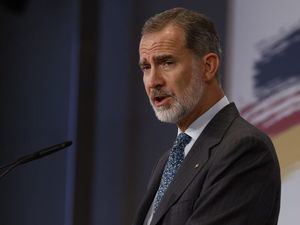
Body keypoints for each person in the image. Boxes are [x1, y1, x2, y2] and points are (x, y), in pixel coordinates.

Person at [133, 7, 281, 225]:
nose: (153, 81)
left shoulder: (243, 149)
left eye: (167, 62)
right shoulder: (169, 160)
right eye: (146, 67)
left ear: (208, 67)